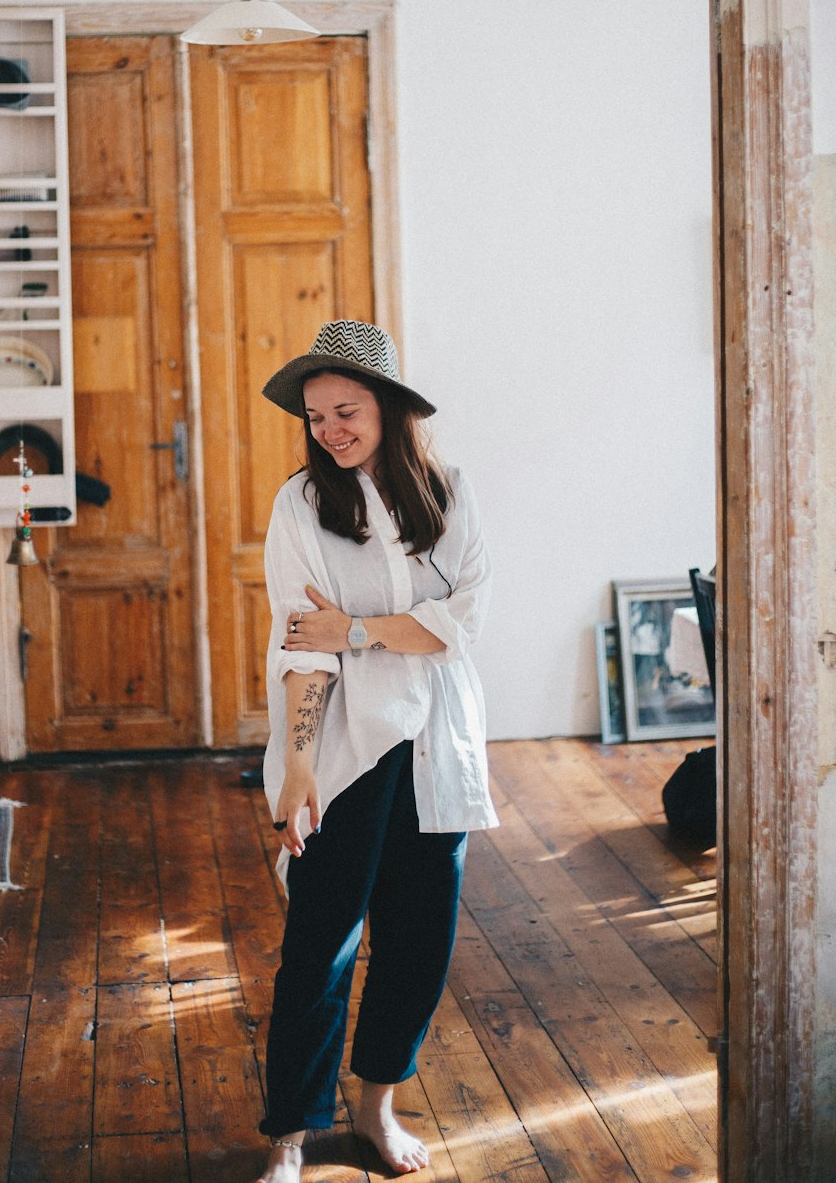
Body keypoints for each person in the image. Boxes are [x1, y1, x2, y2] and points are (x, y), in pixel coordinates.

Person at [254, 319, 498, 1183]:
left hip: (436, 746)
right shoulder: (301, 506)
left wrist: (355, 628)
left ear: (391, 408)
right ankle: (289, 1131)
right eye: (316, 416)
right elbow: (302, 644)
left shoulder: (453, 492)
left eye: (346, 410)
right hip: (348, 748)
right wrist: (297, 766)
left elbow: (459, 626)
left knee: (418, 939)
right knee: (319, 942)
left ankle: (374, 1109)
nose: (329, 430)